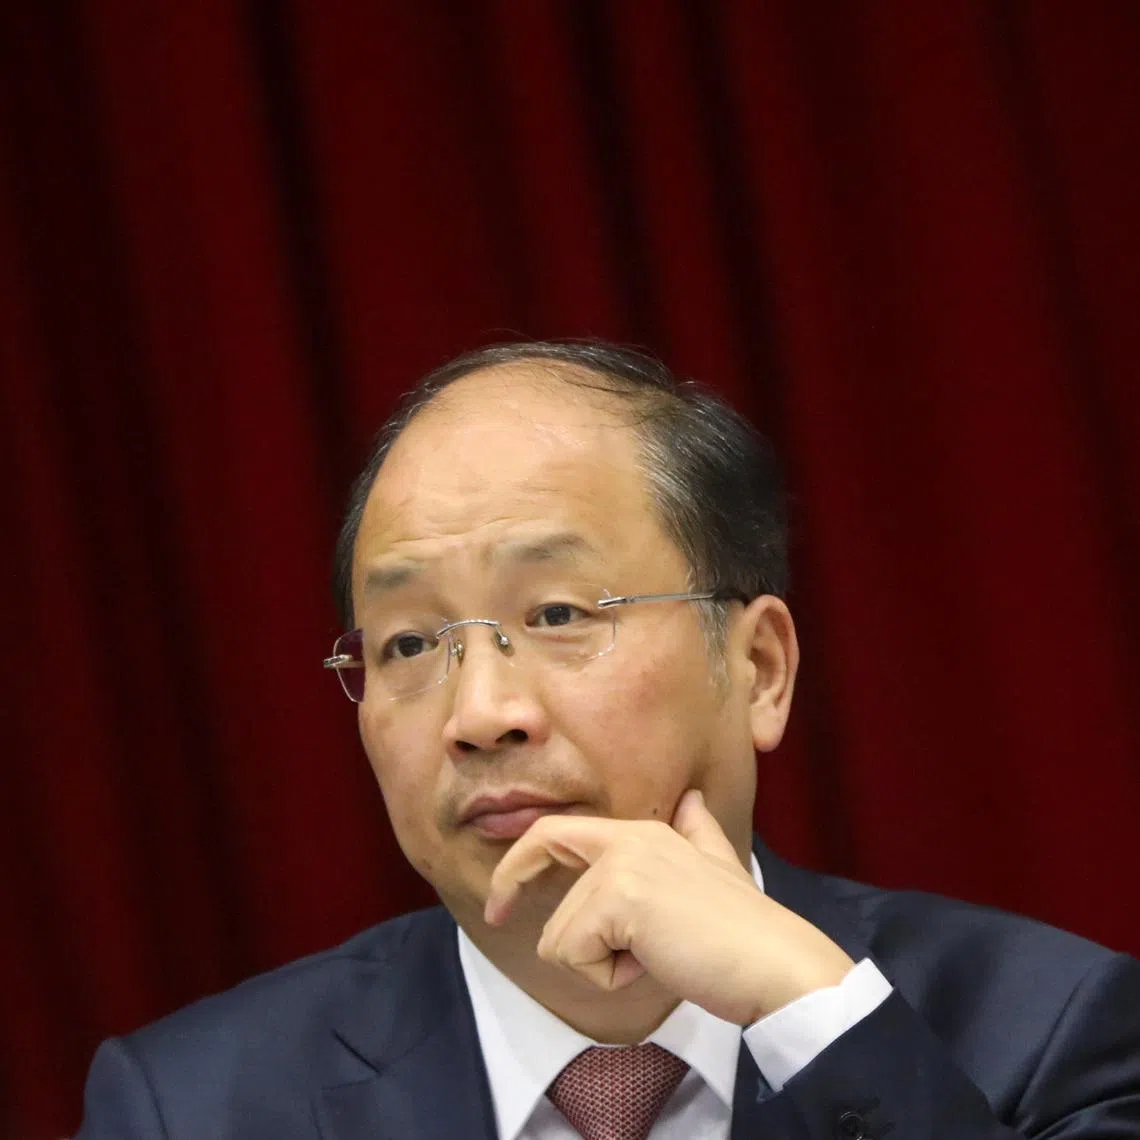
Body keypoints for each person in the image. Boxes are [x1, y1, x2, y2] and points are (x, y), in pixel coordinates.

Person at [76, 340, 1140, 1139]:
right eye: (407, 643)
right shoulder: (193, 1108)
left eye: (557, 616)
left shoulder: (1046, 1035)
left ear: (759, 669)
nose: (482, 713)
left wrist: (806, 1017)